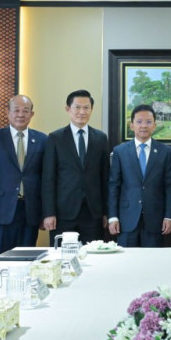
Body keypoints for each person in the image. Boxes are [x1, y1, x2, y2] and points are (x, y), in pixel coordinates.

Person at [0, 95, 48, 256]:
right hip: (1, 209)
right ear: (7, 112)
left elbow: (45, 179)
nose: (20, 114)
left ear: (32, 114)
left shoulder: (42, 139)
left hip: (30, 210)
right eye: (16, 110)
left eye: (25, 111)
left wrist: (44, 213)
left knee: (26, 258)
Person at [41, 89, 109, 244]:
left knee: (93, 254)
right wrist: (49, 213)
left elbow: (105, 178)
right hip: (63, 213)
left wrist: (107, 212)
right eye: (77, 107)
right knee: (63, 254)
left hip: (93, 213)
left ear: (91, 109)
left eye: (86, 108)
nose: (82, 112)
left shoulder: (100, 138)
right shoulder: (55, 138)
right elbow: (48, 179)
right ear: (68, 109)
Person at [108, 104, 171, 247]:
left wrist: (169, 216)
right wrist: (113, 217)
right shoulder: (120, 151)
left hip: (156, 219)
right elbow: (114, 186)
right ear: (132, 125)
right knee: (126, 259)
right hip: (126, 218)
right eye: (139, 122)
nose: (144, 126)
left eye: (148, 122)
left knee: (153, 259)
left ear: (154, 125)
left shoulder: (165, 152)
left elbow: (170, 187)